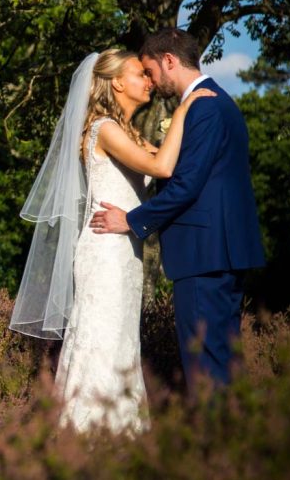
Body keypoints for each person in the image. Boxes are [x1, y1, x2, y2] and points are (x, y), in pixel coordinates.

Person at [10, 48, 214, 434]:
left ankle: (120, 435)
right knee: (101, 342)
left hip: (124, 252)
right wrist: (185, 111)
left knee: (121, 344)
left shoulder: (126, 131)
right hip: (104, 252)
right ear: (118, 82)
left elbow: (171, 165)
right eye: (140, 73)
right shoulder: (104, 127)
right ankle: (90, 438)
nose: (148, 81)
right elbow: (161, 166)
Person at [90, 28, 265, 394]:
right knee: (221, 359)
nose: (151, 81)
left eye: (150, 71)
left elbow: (186, 185)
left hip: (205, 253)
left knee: (206, 365)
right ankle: (235, 439)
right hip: (220, 251)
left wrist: (132, 221)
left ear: (169, 60)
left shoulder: (204, 107)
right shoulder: (216, 102)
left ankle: (213, 446)